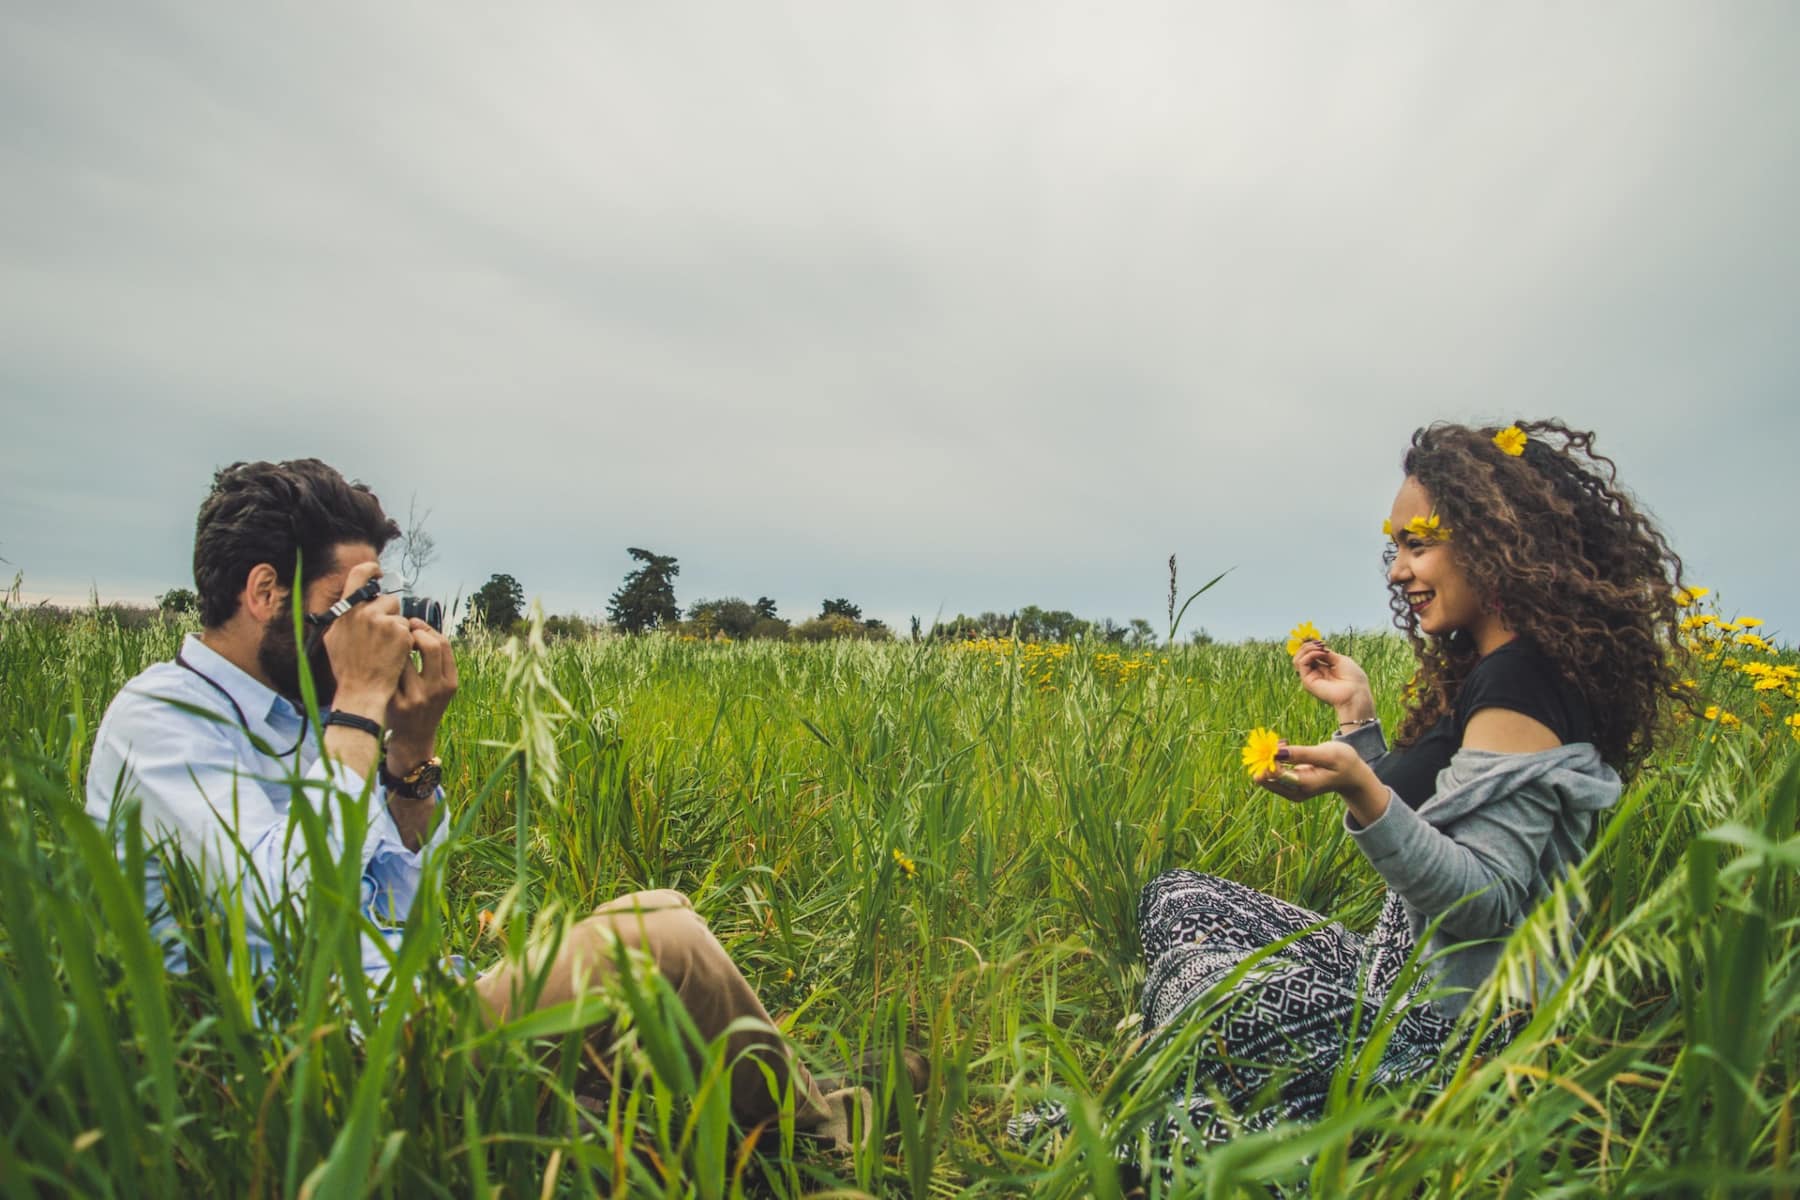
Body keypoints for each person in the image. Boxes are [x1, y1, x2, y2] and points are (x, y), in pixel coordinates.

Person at [85, 458, 874, 1148]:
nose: (376, 626)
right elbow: (294, 912)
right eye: (354, 602)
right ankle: (819, 1134)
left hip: (405, 1006)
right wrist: (359, 704)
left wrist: (408, 752)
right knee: (655, 941)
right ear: (265, 591)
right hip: (316, 1064)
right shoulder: (159, 723)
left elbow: (404, 908)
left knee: (656, 904)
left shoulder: (302, 717)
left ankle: (783, 1106)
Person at [1009, 420, 1687, 1170]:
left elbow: (1483, 899)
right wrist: (1358, 723)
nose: (1398, 572)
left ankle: (1216, 1131)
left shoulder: (1519, 684)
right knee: (1178, 900)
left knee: (1210, 989)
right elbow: (1441, 815)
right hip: (1391, 973)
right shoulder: (1495, 668)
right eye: (1395, 547)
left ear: (1497, 542)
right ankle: (1230, 1094)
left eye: (1418, 544)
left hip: (1452, 1036)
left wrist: (1362, 792)